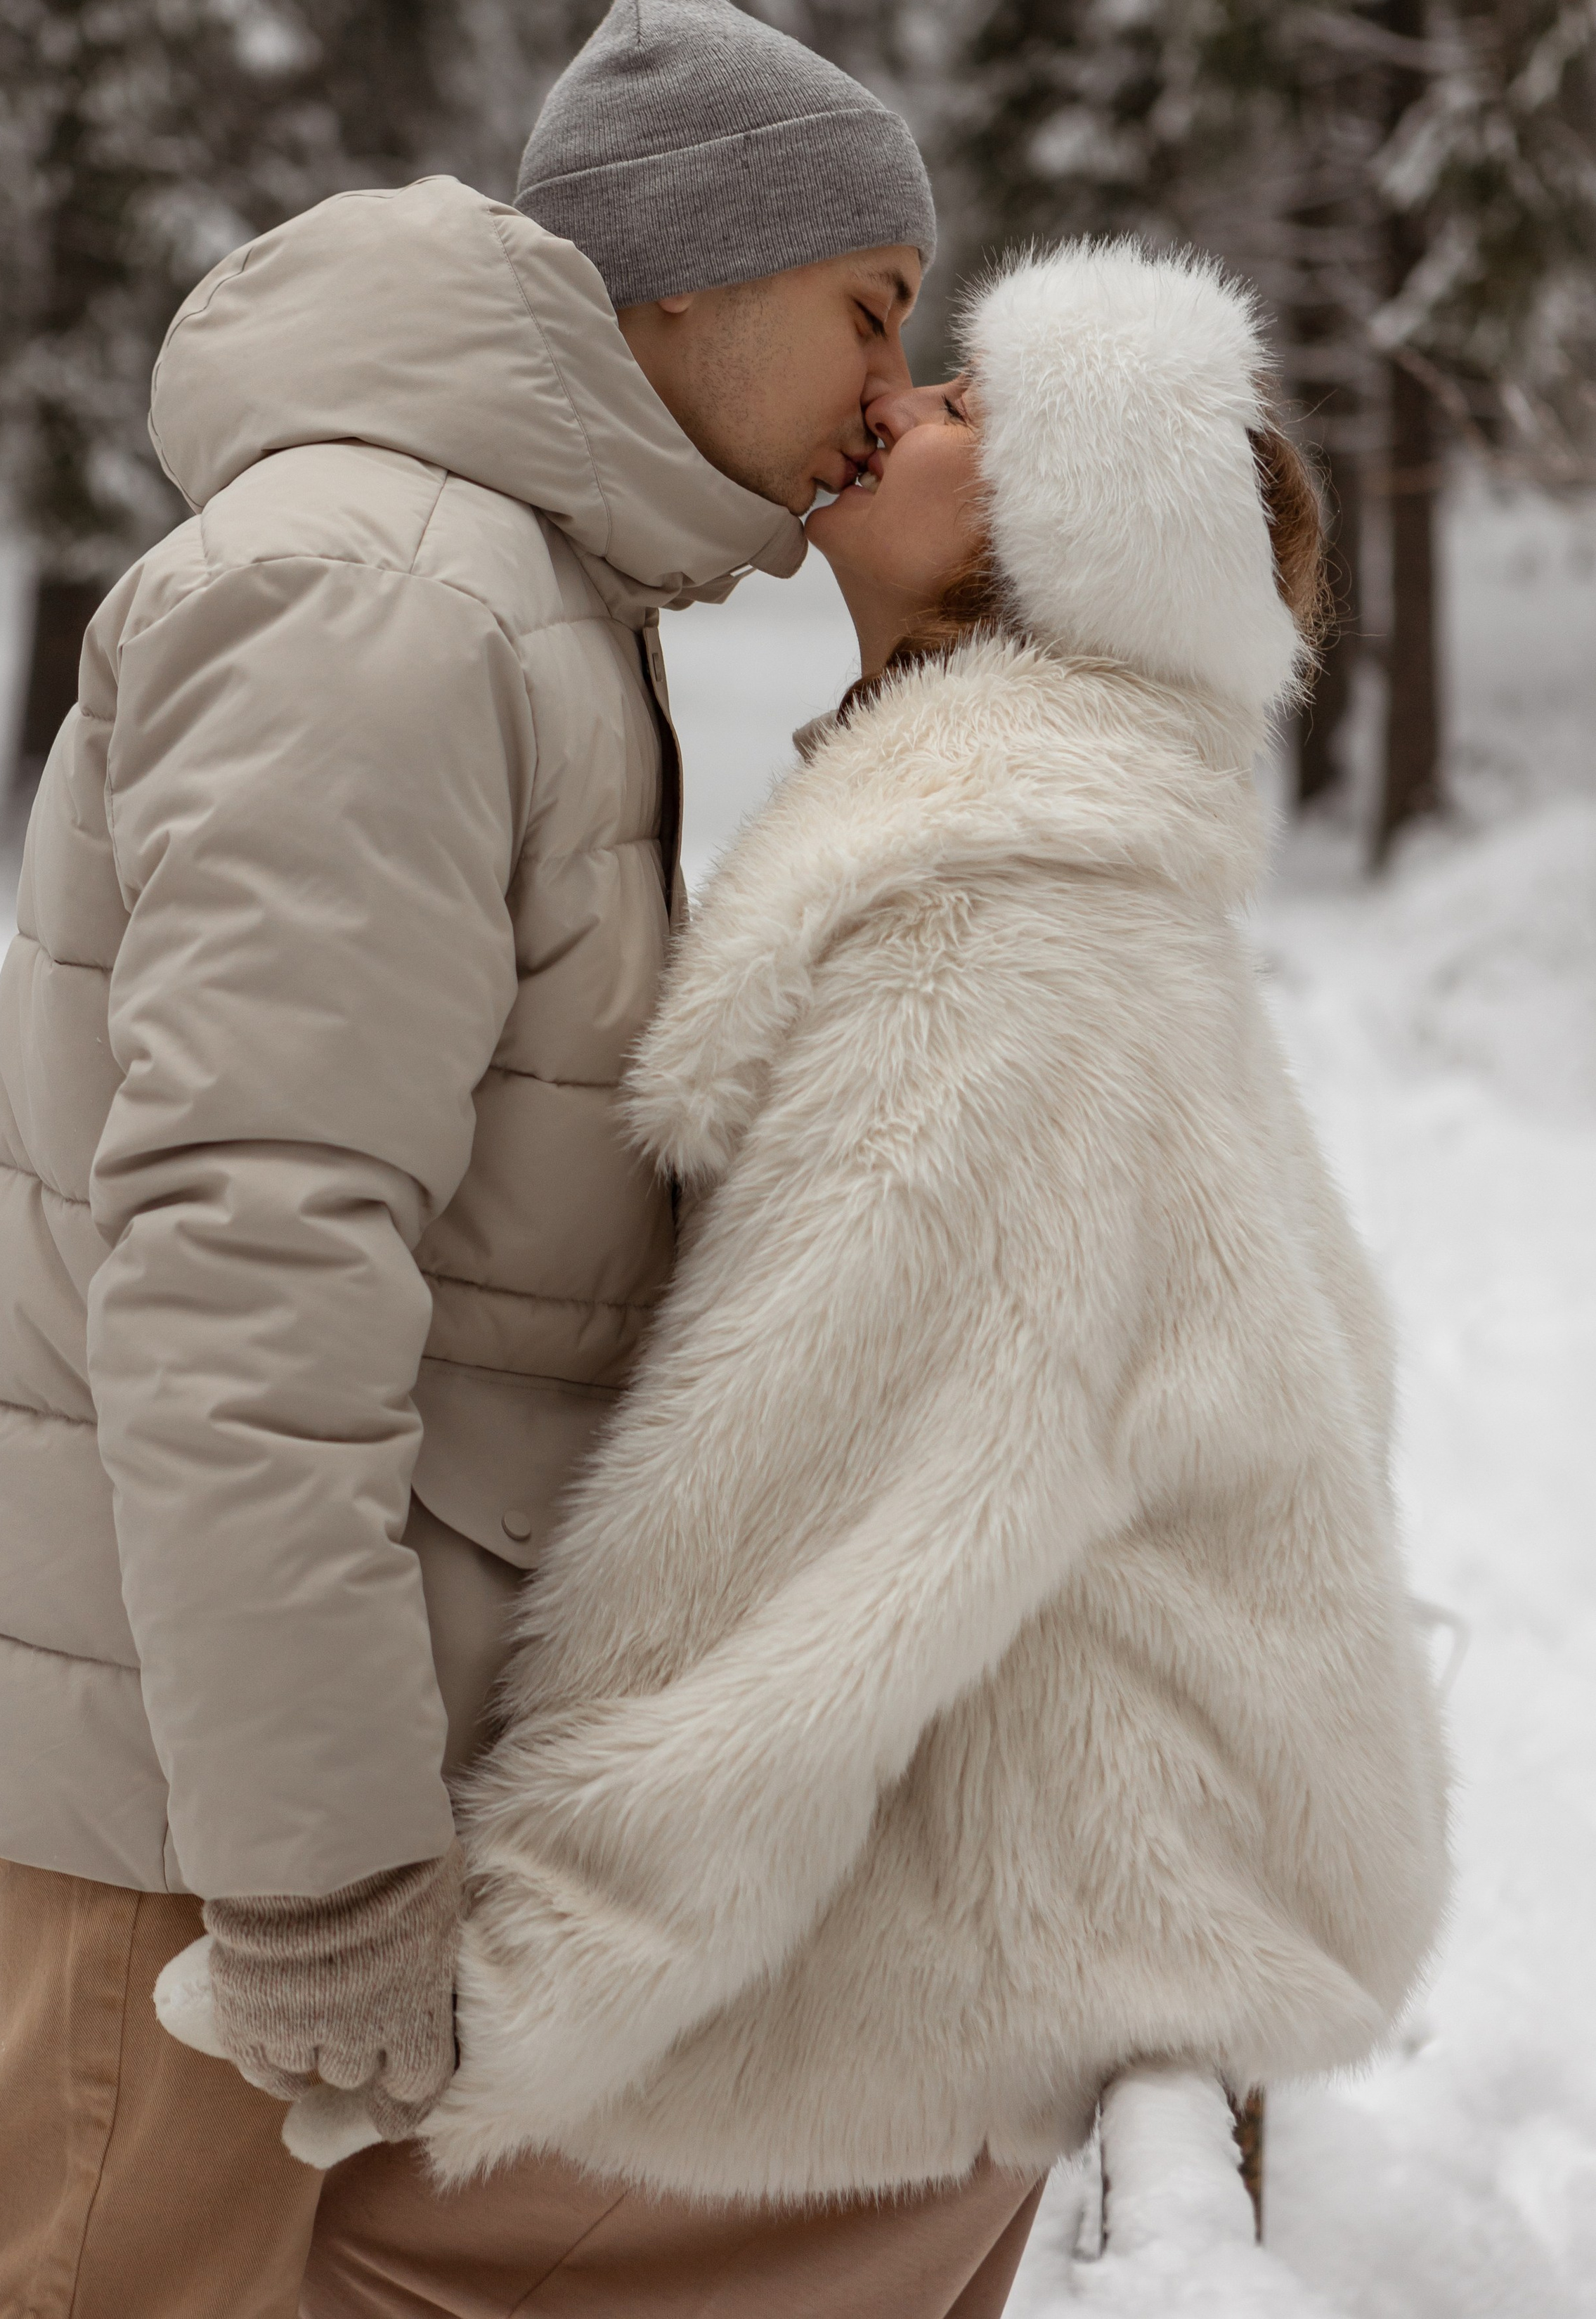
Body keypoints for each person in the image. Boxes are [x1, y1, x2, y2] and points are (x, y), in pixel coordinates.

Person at [0, 0, 941, 2317]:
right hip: (193, 1799)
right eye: (871, 308)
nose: (888, 393)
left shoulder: (521, 595)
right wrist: (319, 1874)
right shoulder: (387, 598)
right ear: (697, 271)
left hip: (304, 1756)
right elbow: (248, 1262)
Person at [412, 244, 1451, 2297]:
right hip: (1093, 1885)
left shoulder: (997, 937)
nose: (898, 408)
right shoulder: (1043, 869)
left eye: (969, 406)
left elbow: (812, 1521)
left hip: (1011, 1949)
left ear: (1071, 539)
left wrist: (512, 1966)